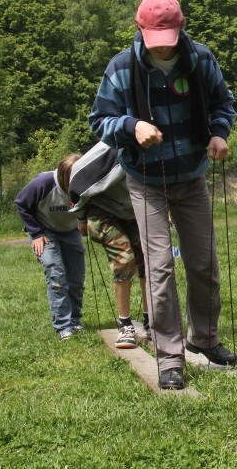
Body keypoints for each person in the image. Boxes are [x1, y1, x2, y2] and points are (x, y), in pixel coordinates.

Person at [89, 0, 237, 390]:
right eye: (154, 38)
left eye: (169, 37)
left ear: (182, 27)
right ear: (139, 29)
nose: (163, 47)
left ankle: (204, 340)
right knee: (159, 268)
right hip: (145, 180)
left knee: (204, 263)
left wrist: (220, 133)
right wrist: (130, 127)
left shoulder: (201, 58)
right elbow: (99, 120)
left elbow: (224, 102)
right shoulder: (121, 67)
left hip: (190, 175)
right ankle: (170, 356)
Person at [62, 141, 150, 349]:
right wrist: (81, 218)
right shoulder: (112, 146)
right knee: (125, 257)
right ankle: (125, 325)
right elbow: (77, 178)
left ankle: (151, 321)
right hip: (102, 209)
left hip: (134, 209)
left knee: (150, 261)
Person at [15, 154, 86, 341]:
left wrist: (85, 220)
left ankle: (75, 320)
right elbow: (21, 204)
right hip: (45, 230)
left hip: (70, 230)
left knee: (76, 279)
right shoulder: (44, 183)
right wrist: (36, 233)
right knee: (56, 273)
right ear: (64, 176)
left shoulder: (86, 183)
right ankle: (63, 326)